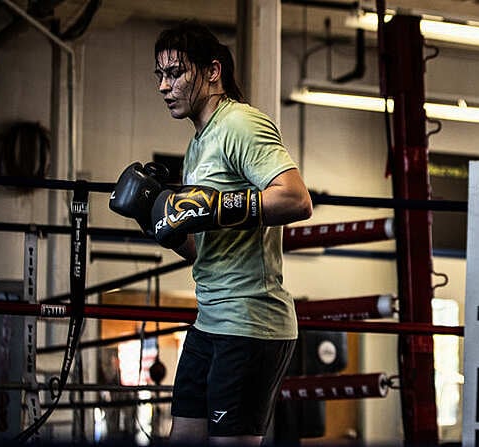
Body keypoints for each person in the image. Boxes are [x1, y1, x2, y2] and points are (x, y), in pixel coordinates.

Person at [109, 21, 312, 446]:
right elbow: (202, 246)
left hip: (250, 323)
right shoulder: (198, 144)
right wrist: (157, 222)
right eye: (160, 76)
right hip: (209, 320)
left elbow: (295, 199)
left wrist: (214, 206)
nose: (165, 86)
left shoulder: (240, 124)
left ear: (212, 71)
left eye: (176, 73)